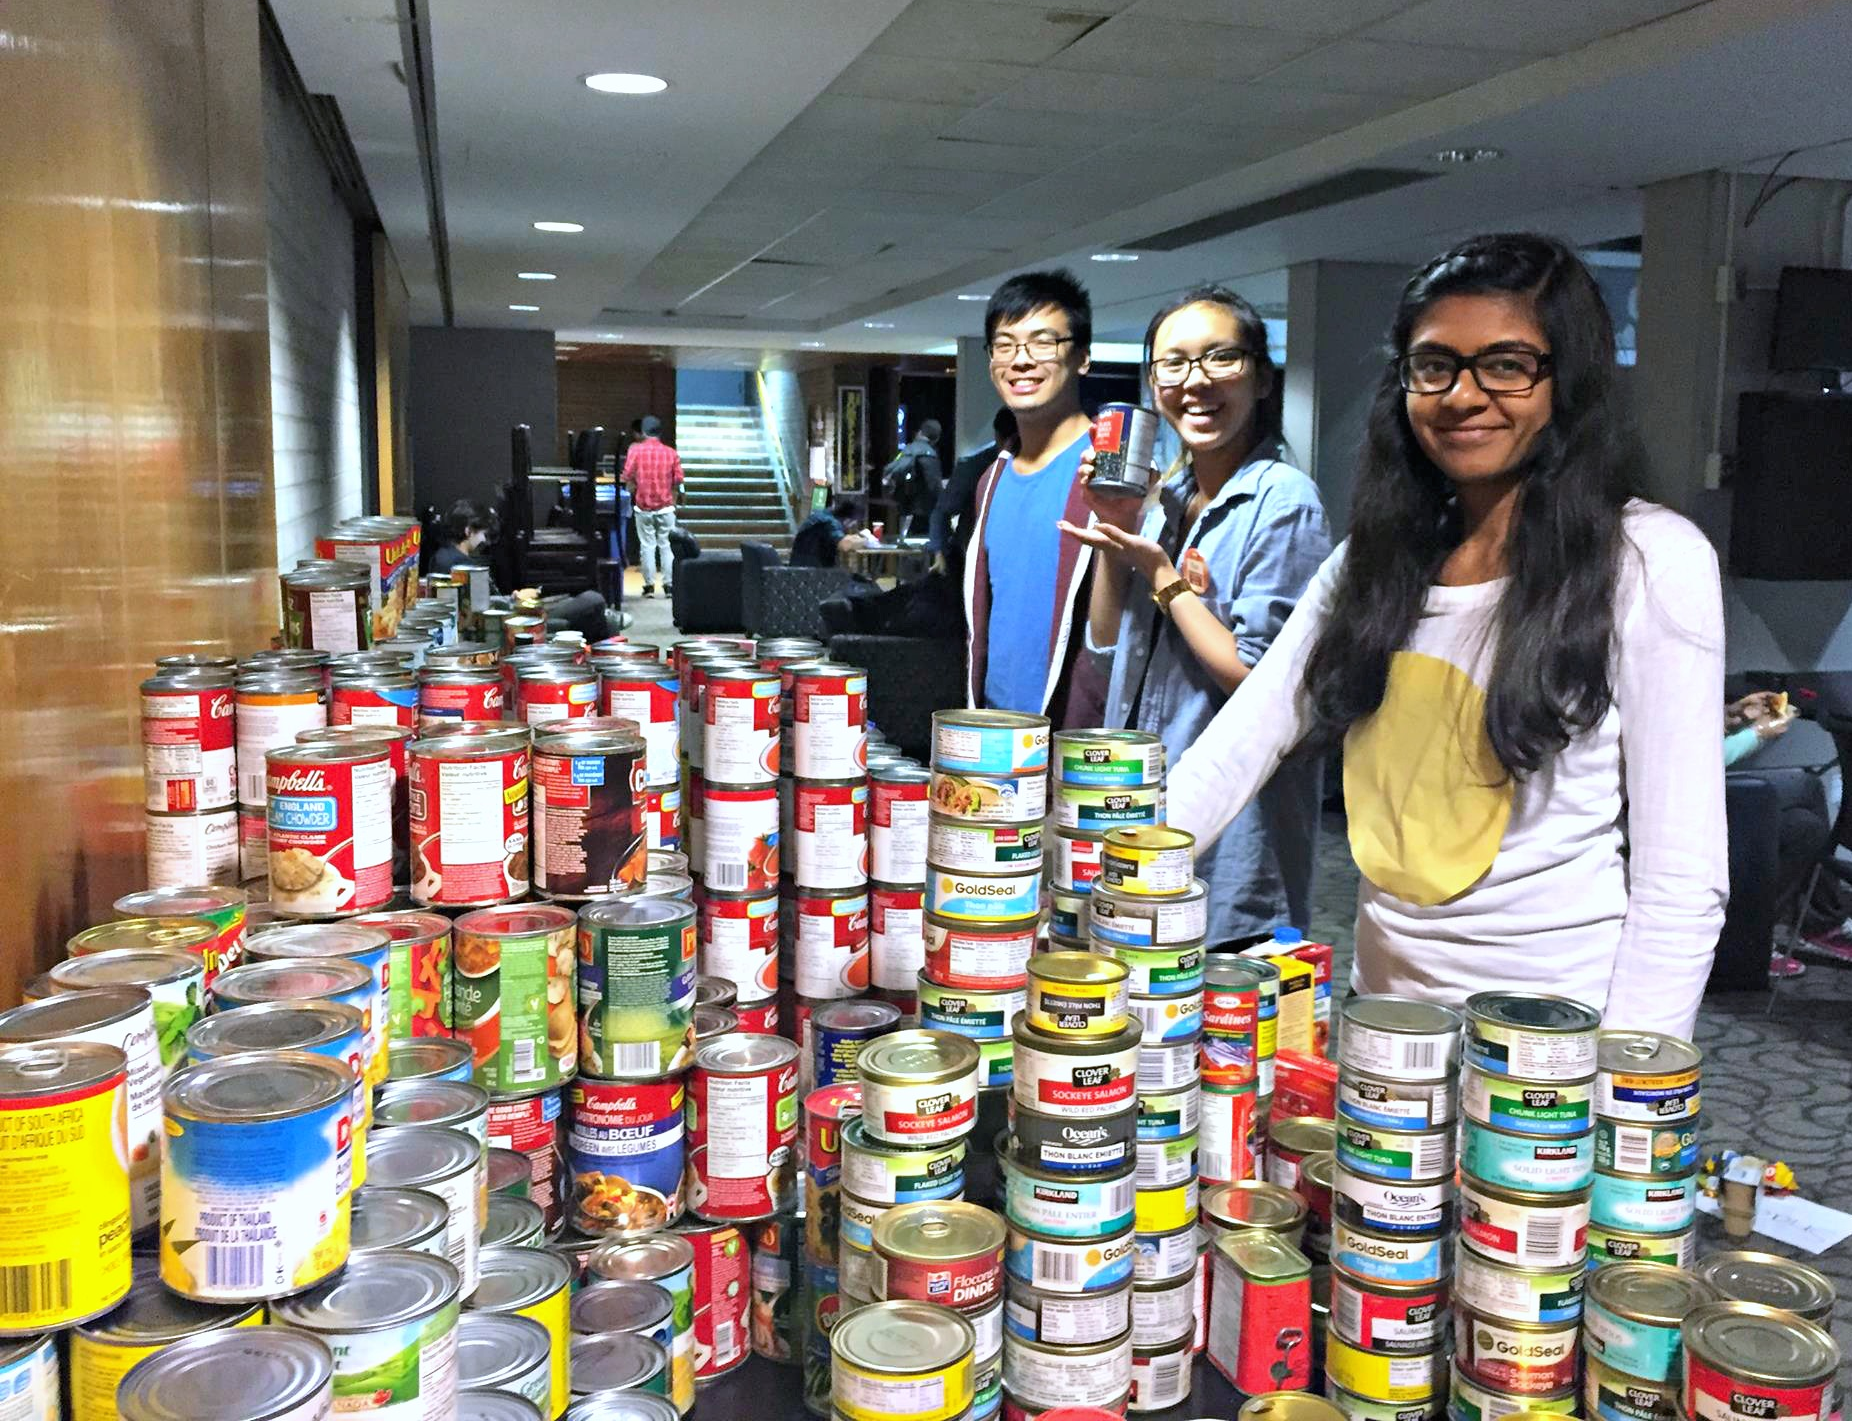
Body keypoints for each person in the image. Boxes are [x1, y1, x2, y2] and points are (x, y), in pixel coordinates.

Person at [1166, 233, 1726, 1038]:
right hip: (1387, 1023)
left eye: (1506, 363)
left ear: (1567, 380)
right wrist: (1115, 873)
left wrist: (1627, 1083)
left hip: (1554, 1041)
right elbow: (1240, 743)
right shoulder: (1380, 557)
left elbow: (1684, 873)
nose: (1464, 395)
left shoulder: (1648, 559)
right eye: (1435, 365)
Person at [1059, 286, 1330, 947]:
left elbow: (1265, 682)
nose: (1195, 381)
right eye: (1173, 364)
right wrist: (1117, 525)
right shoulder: (1168, 498)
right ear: (1153, 382)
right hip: (1143, 816)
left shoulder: (1283, 502)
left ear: (1262, 376)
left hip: (1234, 845)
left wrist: (1161, 573)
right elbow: (1104, 648)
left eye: (1219, 358)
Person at [963, 269, 1105, 725]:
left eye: (1043, 342)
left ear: (1081, 356)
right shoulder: (991, 480)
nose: (1021, 360)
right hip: (997, 734)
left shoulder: (1107, 473)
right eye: (1005, 345)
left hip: (1079, 737)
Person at [933, 408, 1016, 579]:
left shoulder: (974, 466)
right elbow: (942, 511)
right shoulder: (975, 467)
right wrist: (940, 551)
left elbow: (942, 511)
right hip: (975, 560)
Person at [622, 415, 683, 598]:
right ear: (659, 432)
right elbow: (679, 479)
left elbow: (627, 475)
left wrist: (635, 485)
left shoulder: (636, 451)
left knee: (647, 546)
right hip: (666, 507)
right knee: (666, 547)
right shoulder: (671, 453)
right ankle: (669, 586)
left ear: (644, 431)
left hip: (643, 506)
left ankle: (649, 586)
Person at [881, 419, 943, 541]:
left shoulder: (907, 451)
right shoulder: (929, 454)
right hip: (924, 515)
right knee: (921, 550)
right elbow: (934, 488)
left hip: (904, 512)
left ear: (919, 432)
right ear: (936, 438)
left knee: (906, 547)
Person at [791, 498, 879, 568]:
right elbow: (845, 545)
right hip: (812, 572)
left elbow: (841, 537)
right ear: (848, 520)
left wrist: (858, 537)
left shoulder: (822, 515)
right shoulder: (830, 523)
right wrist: (867, 540)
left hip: (801, 567)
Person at [428, 500, 494, 577]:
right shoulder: (465, 567)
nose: (484, 539)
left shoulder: (440, 556)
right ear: (468, 531)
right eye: (483, 534)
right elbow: (479, 589)